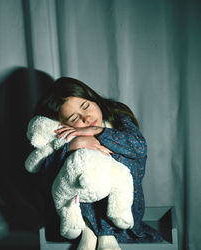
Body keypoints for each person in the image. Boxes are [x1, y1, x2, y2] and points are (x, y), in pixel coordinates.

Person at [31, 77, 163, 250]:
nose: (86, 118)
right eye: (73, 118)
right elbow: (46, 179)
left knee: (121, 160)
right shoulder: (66, 136)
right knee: (75, 166)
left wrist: (96, 131)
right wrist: (74, 145)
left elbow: (139, 148)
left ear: (93, 99)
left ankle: (105, 233)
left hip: (119, 212)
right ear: (62, 124)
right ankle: (88, 230)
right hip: (79, 214)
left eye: (86, 107)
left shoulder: (117, 117)